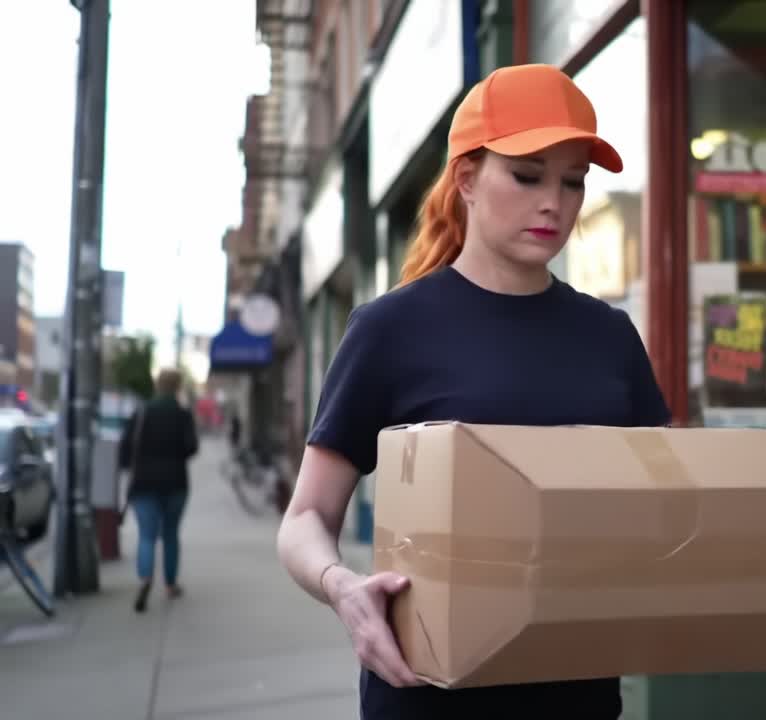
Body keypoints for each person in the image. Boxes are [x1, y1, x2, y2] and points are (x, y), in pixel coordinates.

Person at [276, 63, 671, 719]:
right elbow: (306, 518)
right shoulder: (389, 331)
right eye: (527, 175)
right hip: (426, 700)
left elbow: (662, 515)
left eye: (573, 181)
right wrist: (341, 587)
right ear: (466, 178)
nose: (555, 201)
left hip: (577, 700)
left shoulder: (610, 338)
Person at [119, 368, 200, 613]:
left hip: (143, 483)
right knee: (171, 533)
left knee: (146, 535)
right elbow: (191, 447)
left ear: (156, 385)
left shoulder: (141, 412)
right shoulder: (182, 414)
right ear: (177, 387)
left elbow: (125, 450)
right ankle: (170, 584)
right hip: (175, 482)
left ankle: (145, 579)